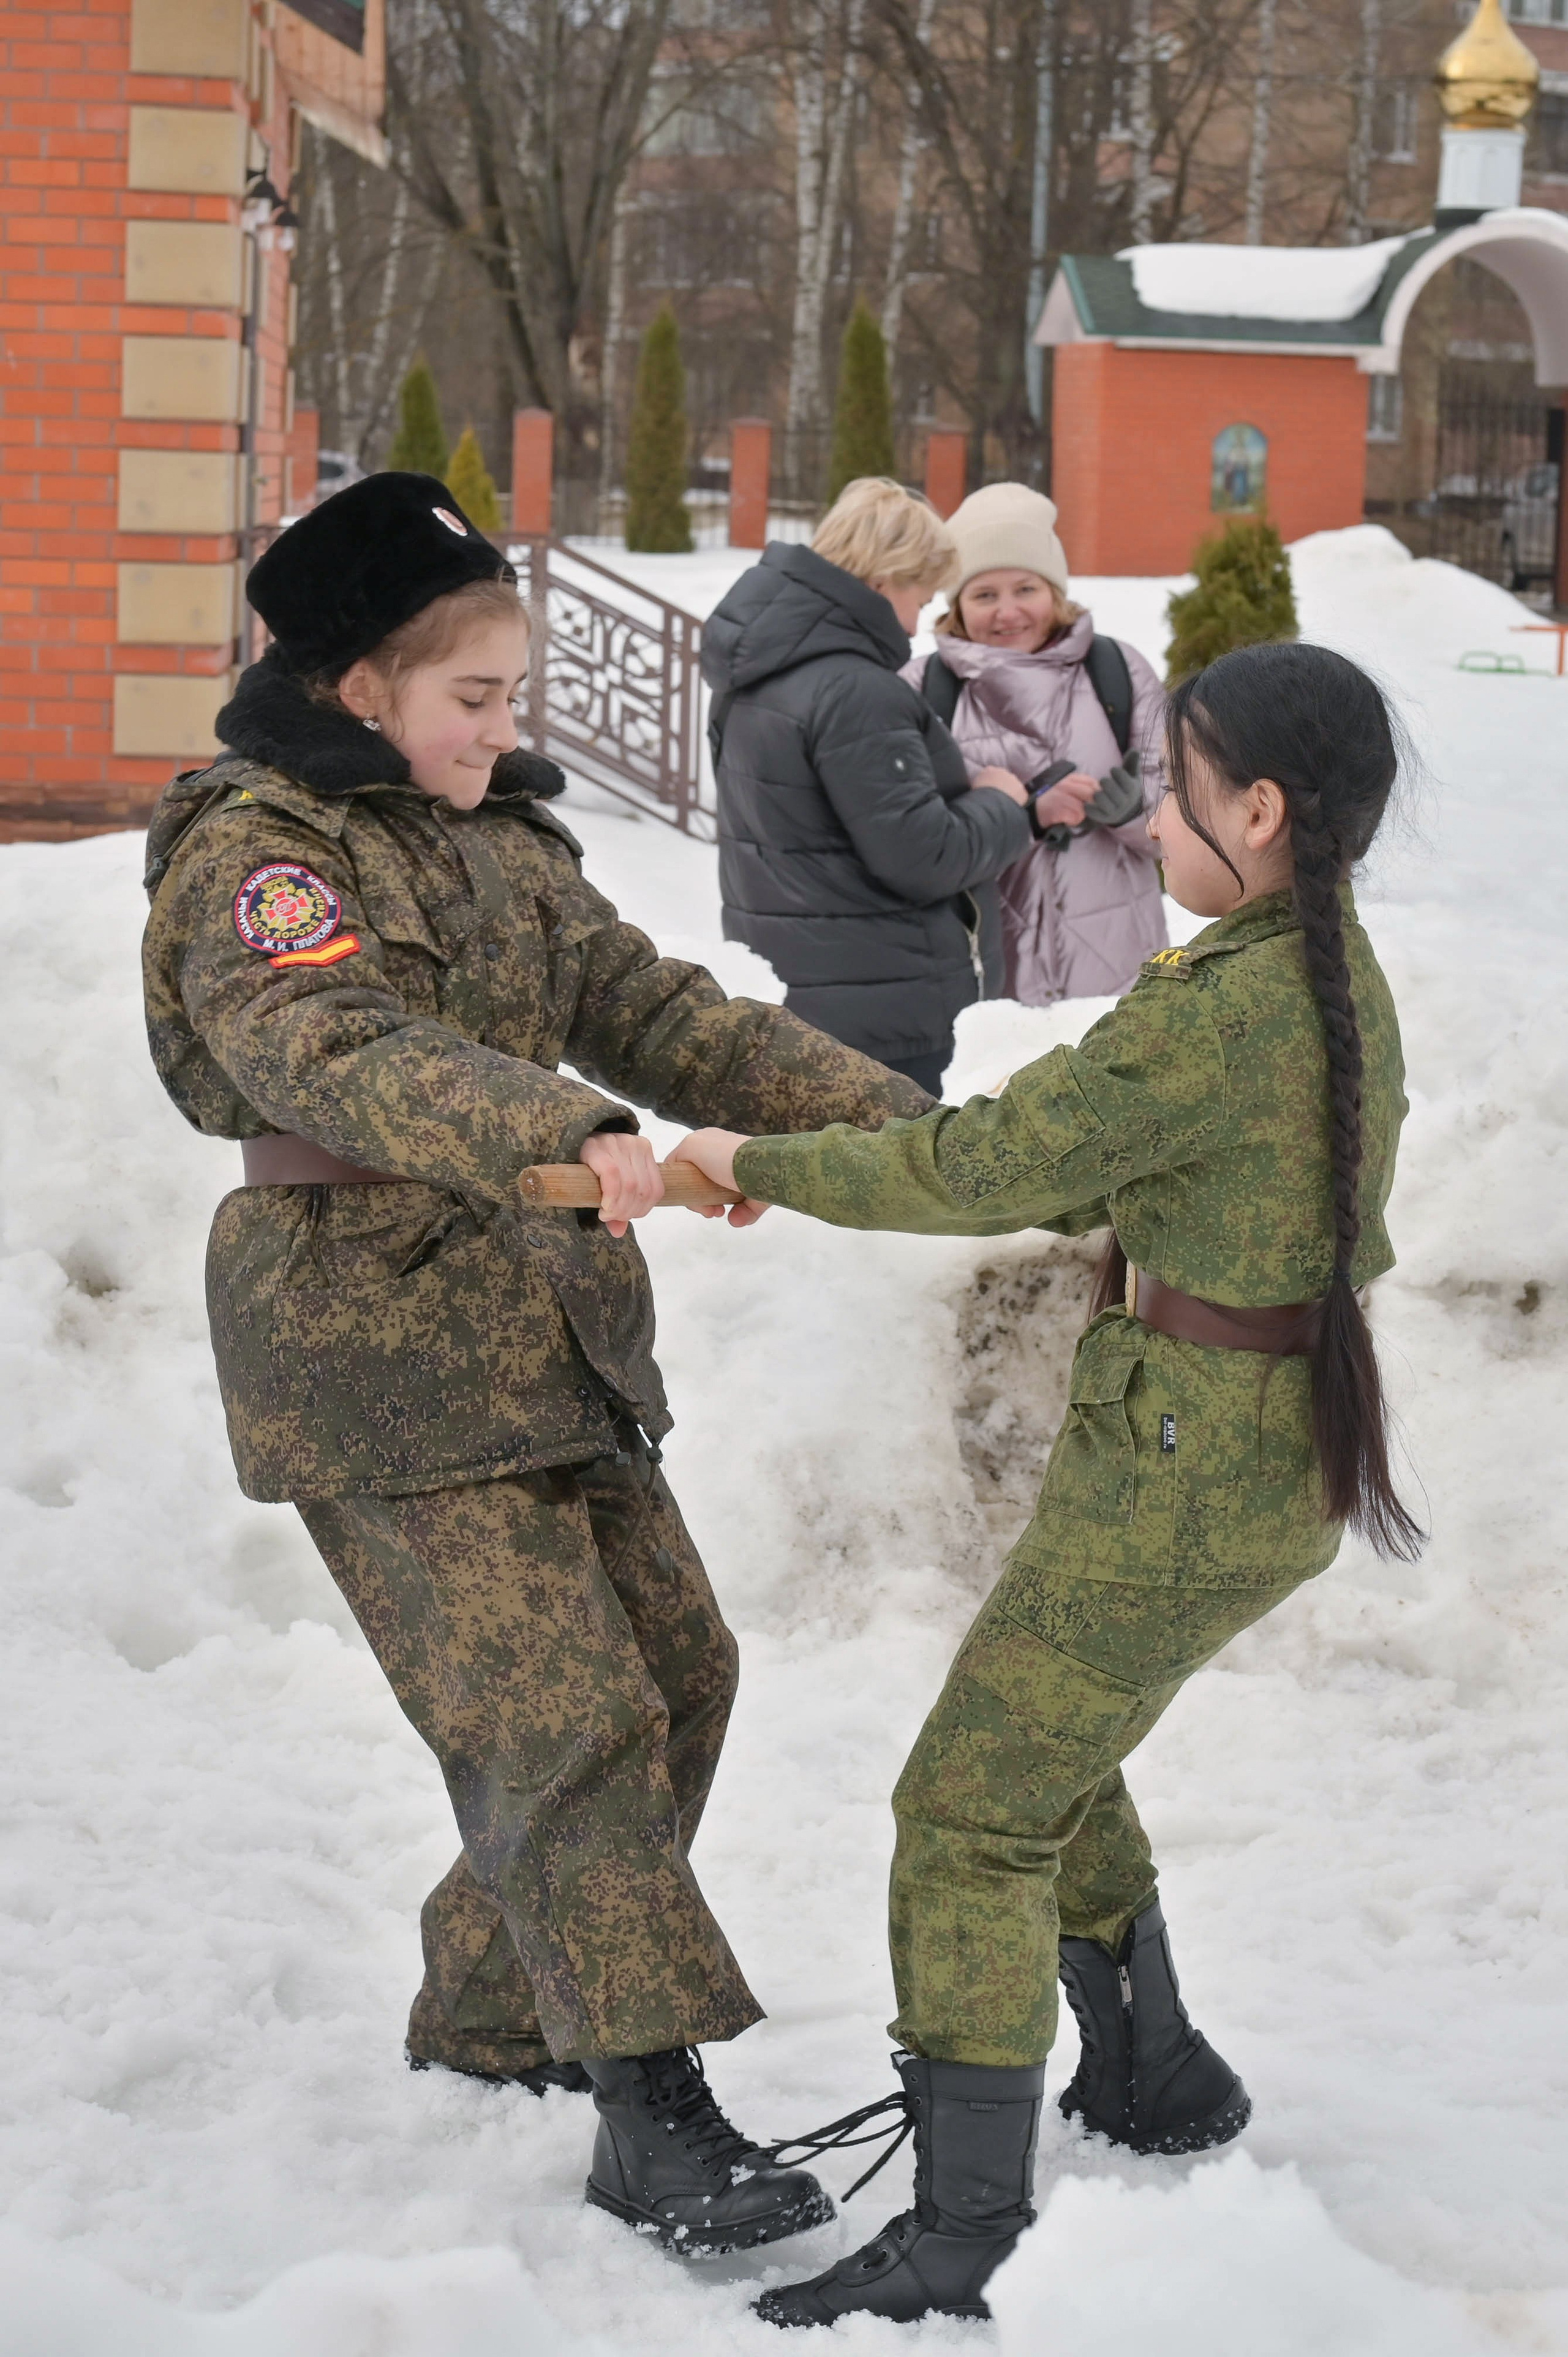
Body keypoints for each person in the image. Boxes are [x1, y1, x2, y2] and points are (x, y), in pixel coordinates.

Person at [139, 472, 937, 2258]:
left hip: (543, 1330)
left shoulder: (498, 842)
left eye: (514, 697)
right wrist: (566, 1128)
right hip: (370, 1348)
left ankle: (495, 2017)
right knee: (563, 1720)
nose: (503, 731)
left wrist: (922, 1137)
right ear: (360, 685)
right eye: (472, 697)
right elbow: (331, 1047)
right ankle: (651, 2116)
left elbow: (663, 1016)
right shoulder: (264, 858)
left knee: (678, 1668)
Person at [671, 641, 1421, 2327]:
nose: (1147, 821)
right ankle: (1154, 2068)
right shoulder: (1316, 970)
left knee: (966, 1815)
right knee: (1048, 1743)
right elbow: (1120, 1162)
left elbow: (982, 1166)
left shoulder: (1221, 1010)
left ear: (1261, 809)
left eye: (1178, 792)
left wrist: (741, 1159)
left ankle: (966, 2227)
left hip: (1185, 1468)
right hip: (1240, 1445)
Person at [705, 477, 1044, 1099]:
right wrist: (1003, 802)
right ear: (886, 580)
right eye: (921, 597)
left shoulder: (755, 674)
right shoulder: (856, 690)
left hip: (802, 1002)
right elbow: (924, 857)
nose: (915, 626)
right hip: (889, 1016)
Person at [911, 481, 1169, 1004]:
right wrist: (1021, 818)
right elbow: (906, 839)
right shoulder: (920, 689)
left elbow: (1188, 822)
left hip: (1118, 979)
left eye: (1025, 589)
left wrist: (1135, 814)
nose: (1007, 613)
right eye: (985, 595)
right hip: (978, 982)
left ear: (1055, 591)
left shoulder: (1119, 672)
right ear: (958, 604)